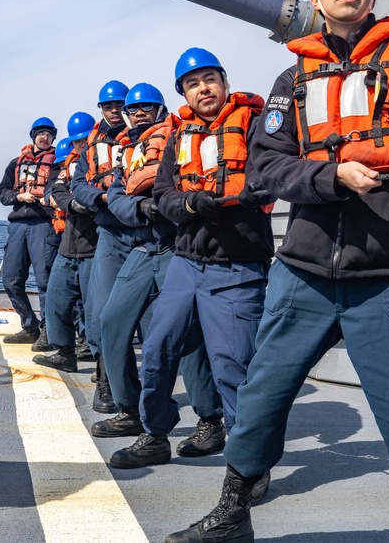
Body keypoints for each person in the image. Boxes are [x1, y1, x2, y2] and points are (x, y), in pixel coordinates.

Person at [165, 0, 389, 543]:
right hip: (302, 270)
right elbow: (266, 167)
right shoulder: (291, 80)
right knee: (259, 395)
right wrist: (330, 176)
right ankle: (234, 507)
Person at [109, 48, 274, 470]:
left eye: (210, 80)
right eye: (193, 83)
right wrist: (188, 204)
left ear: (224, 82)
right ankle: (155, 434)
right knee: (159, 349)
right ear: (184, 92)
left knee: (233, 366)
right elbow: (163, 192)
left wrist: (254, 191)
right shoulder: (179, 136)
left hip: (237, 267)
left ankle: (247, 463)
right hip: (185, 263)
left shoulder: (255, 125)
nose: (204, 89)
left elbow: (272, 172)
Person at [91, 83, 224, 446]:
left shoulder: (178, 137)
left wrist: (163, 204)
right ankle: (131, 408)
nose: (139, 113)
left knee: (187, 334)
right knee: (111, 321)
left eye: (148, 107)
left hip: (175, 248)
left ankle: (210, 417)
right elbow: (116, 195)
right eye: (134, 109)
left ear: (161, 109)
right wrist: (139, 208)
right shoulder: (128, 151)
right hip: (141, 248)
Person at [70, 81, 133, 413]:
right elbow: (78, 185)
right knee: (103, 313)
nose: (114, 110)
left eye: (119, 104)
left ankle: (148, 390)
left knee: (155, 319)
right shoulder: (91, 148)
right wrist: (103, 197)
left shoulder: (150, 137)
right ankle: (106, 381)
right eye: (107, 105)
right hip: (110, 232)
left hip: (150, 235)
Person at [34, 121, 99, 373]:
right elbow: (57, 189)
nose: (81, 145)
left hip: (94, 245)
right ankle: (64, 352)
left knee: (94, 310)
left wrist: (87, 201)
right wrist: (72, 204)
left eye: (85, 140)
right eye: (77, 141)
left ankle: (103, 367)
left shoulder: (101, 160)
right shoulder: (70, 167)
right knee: (56, 301)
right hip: (68, 245)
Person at [0, 116, 61, 344]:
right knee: (11, 279)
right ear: (33, 136)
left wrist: (37, 196)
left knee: (45, 280)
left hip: (43, 226)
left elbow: (57, 189)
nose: (45, 137)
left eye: (49, 134)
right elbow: (3, 192)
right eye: (41, 133)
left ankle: (48, 329)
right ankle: (29, 325)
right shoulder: (15, 163)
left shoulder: (57, 162)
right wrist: (18, 196)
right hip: (17, 226)